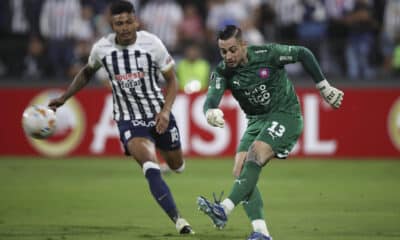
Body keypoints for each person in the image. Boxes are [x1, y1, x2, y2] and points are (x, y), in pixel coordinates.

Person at [48, 0, 193, 235]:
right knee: (149, 165)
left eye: (128, 22)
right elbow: (86, 72)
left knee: (177, 165)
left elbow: (172, 80)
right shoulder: (102, 48)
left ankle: (171, 159)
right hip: (128, 119)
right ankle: (179, 220)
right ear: (111, 25)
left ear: (135, 20)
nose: (124, 27)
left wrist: (165, 111)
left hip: (158, 114)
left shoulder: (152, 44)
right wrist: (65, 97)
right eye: (119, 23)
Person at [197, 25, 343, 240]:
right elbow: (211, 99)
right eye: (223, 51)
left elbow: (303, 53)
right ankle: (261, 232)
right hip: (256, 122)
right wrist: (210, 111)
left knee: (255, 153)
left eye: (233, 50)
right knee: (240, 172)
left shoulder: (268, 54)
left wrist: (323, 87)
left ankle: (224, 209)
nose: (228, 56)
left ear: (244, 45)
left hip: (285, 114)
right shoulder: (223, 71)